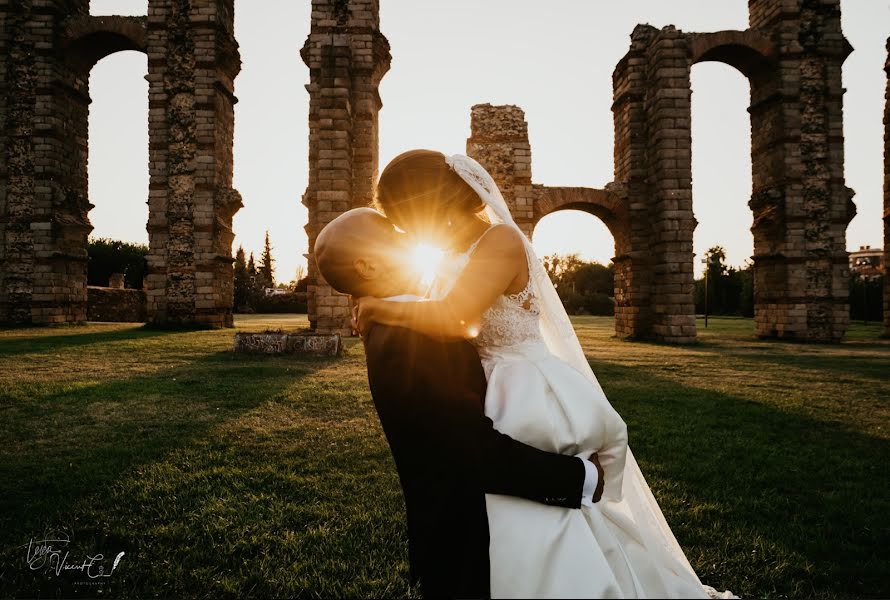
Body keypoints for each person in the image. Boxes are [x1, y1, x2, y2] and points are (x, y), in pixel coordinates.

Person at [354, 150, 734, 598]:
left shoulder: (499, 241)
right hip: (489, 380)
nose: (404, 230)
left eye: (402, 217)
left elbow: (456, 316)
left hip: (522, 381)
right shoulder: (449, 252)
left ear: (428, 203)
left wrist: (381, 307)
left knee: (529, 495)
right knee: (501, 501)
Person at [314, 207, 605, 599]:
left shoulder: (400, 322)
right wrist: (581, 477)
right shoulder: (411, 338)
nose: (409, 239)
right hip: (470, 543)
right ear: (366, 264)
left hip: (456, 530)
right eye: (390, 233)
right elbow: (472, 453)